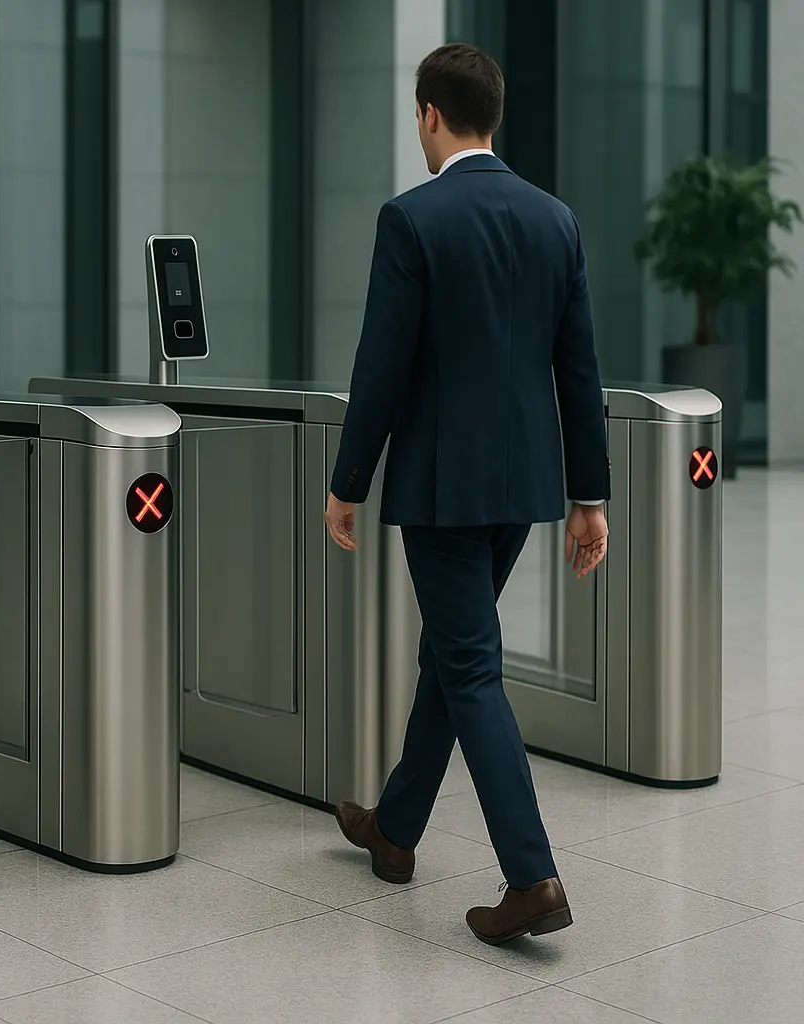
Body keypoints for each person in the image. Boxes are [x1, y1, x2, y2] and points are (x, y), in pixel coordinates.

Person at [323, 42, 610, 945]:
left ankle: (533, 878)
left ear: (431, 115)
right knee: (452, 653)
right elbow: (579, 370)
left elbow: (381, 365)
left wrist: (347, 482)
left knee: (470, 665)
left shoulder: (412, 219)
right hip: (524, 488)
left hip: (443, 488)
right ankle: (394, 830)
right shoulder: (555, 220)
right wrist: (590, 498)